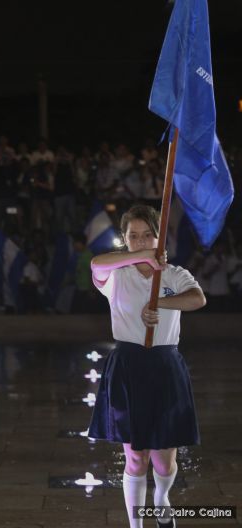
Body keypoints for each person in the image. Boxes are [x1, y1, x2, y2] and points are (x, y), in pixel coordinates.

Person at [88, 204, 206, 528]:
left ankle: (162, 498)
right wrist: (141, 256)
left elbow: (197, 298)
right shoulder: (117, 275)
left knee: (164, 463)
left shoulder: (174, 274)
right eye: (133, 236)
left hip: (165, 365)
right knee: (136, 458)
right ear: (125, 239)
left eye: (147, 235)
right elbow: (96, 264)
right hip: (128, 366)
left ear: (159, 237)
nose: (140, 241)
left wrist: (160, 303)